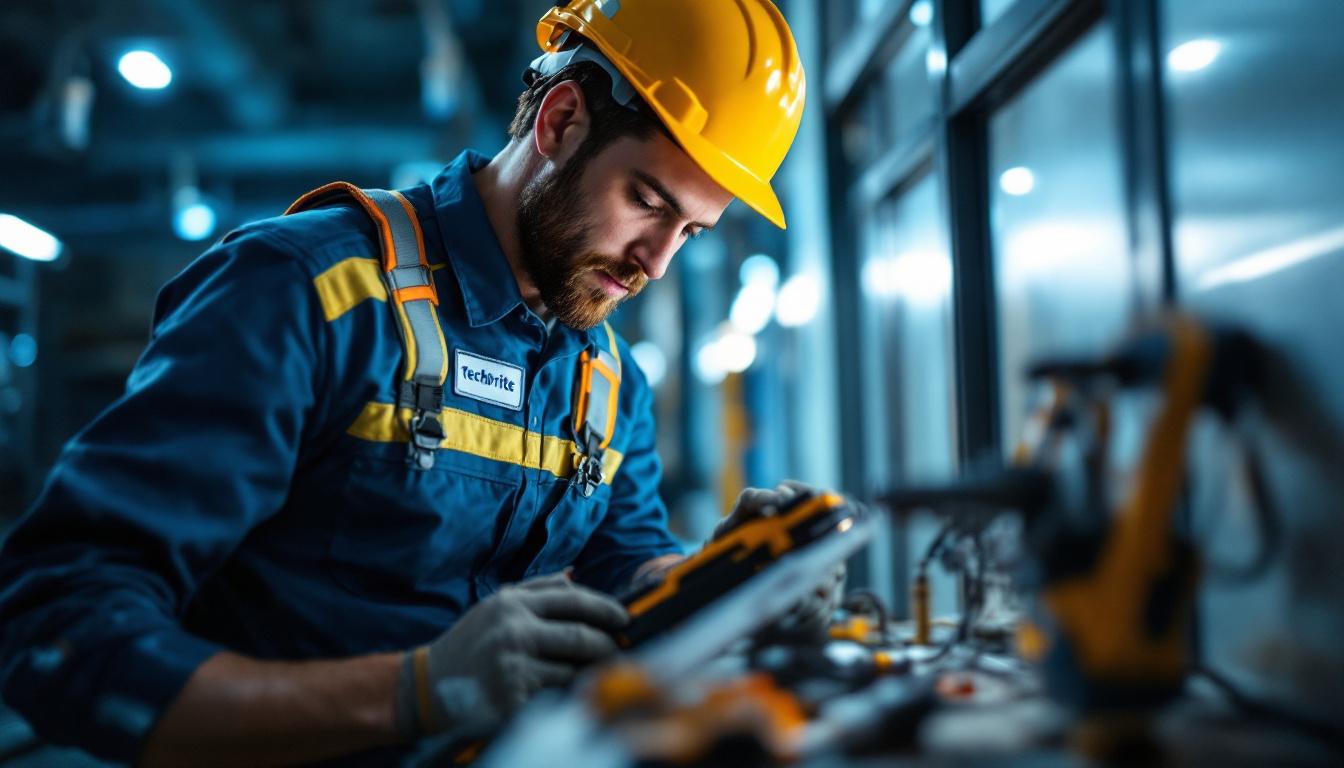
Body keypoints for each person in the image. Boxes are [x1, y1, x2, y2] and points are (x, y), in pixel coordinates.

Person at [0, 1, 840, 765]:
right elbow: (56, 624)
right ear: (561, 120)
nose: (655, 262)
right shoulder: (307, 293)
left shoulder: (604, 375)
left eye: (689, 231)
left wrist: (728, 580)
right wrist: (415, 691)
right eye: (648, 202)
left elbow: (622, 564)